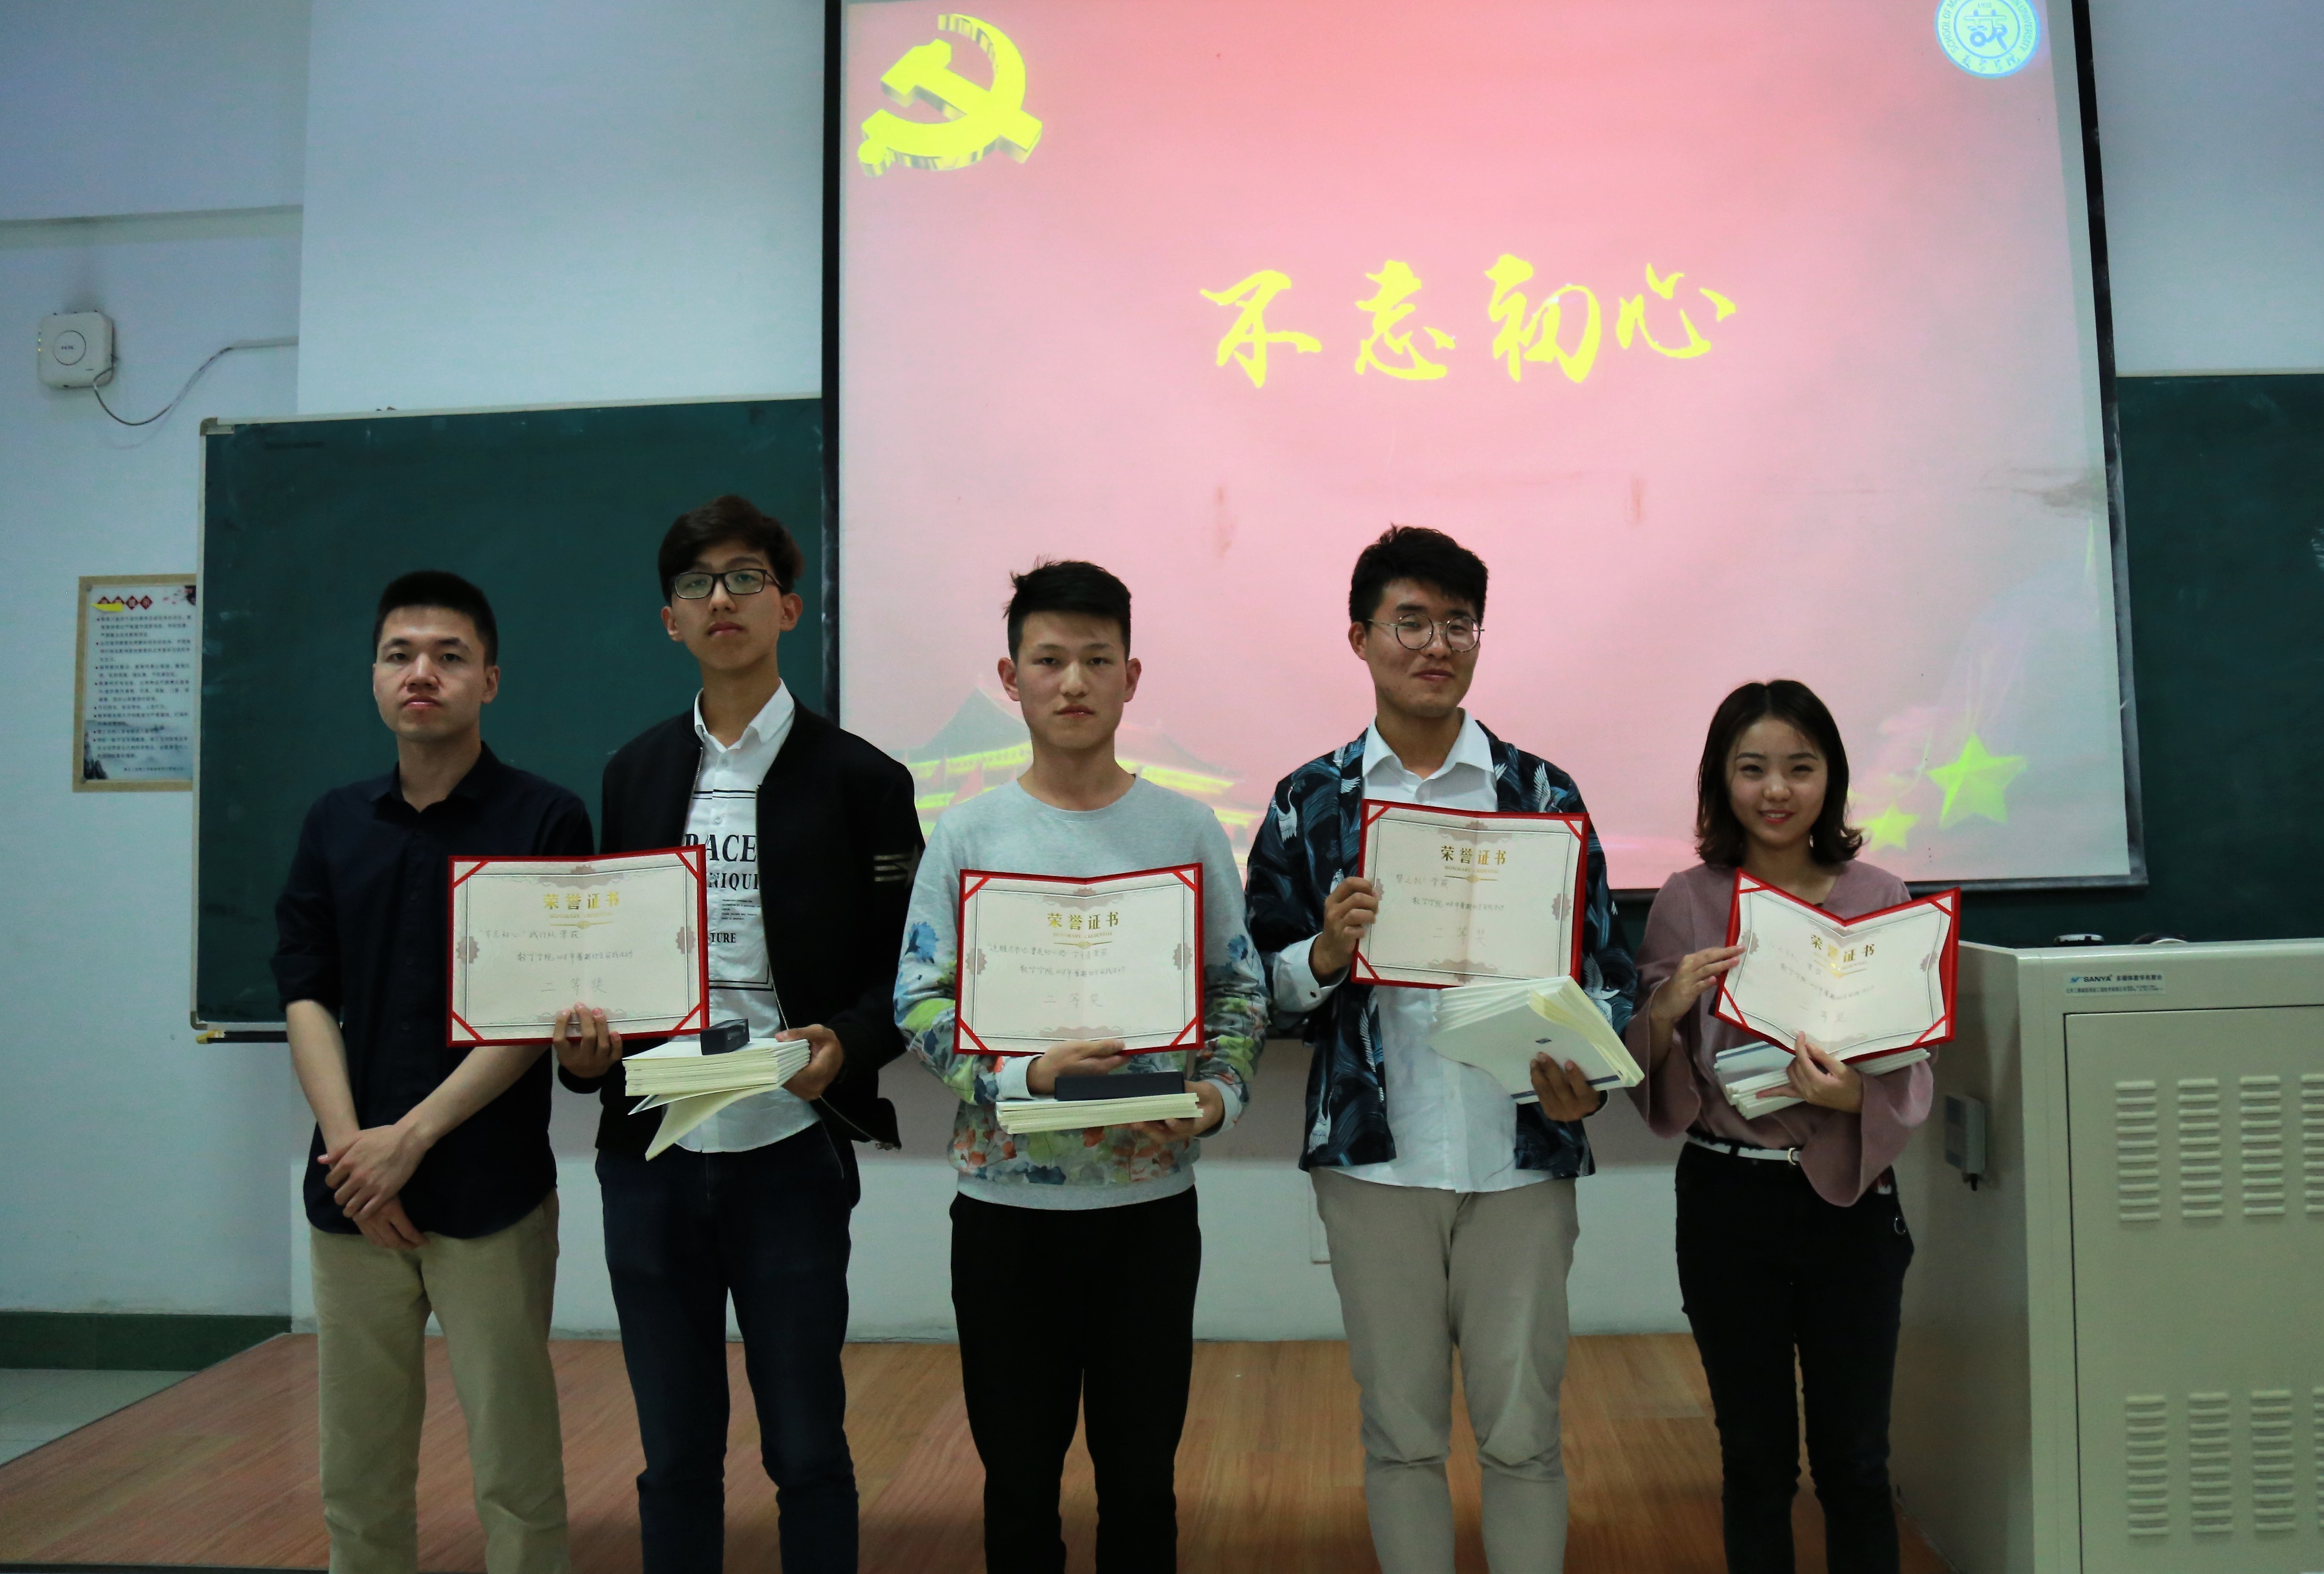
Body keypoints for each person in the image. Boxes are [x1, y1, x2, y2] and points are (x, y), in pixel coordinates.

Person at [1243, 525, 1638, 1574]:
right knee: (1402, 1437)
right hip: (1376, 1163)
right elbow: (1258, 990)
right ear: (1360, 637)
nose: (1435, 645)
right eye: (1409, 622)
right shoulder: (1309, 800)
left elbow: (1605, 971)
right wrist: (1325, 952)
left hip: (1521, 1160)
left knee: (1523, 1436)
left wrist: (1587, 1084)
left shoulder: (1541, 793)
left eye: (1457, 624)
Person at [552, 495, 921, 1574]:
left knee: (806, 1447)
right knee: (673, 1456)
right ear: (670, 619)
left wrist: (845, 1044)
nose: (722, 599)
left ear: (787, 607)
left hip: (788, 1149)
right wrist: (587, 1053)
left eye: (745, 577)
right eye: (696, 582)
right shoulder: (633, 773)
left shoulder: (862, 779)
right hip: (652, 1153)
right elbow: (609, 958)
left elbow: (905, 976)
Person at [893, 560, 1268, 1574]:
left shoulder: (1185, 827)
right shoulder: (969, 830)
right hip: (1005, 1207)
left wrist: (1218, 1094)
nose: (1072, 682)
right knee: (1017, 1482)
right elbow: (917, 999)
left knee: (1140, 1481)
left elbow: (1237, 987)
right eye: (1048, 659)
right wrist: (1023, 1078)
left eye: (1097, 660)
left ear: (1130, 677)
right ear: (1008, 678)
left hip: (1148, 1203)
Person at [275, 570, 587, 1574]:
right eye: (399, 654)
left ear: (488, 680)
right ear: (374, 677)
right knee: (357, 1469)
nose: (422, 673)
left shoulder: (546, 819)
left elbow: (540, 1008)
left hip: (489, 1190)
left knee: (514, 1461)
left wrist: (407, 1141)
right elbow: (305, 993)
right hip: (353, 1196)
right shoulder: (334, 823)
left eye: (449, 656)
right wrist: (352, 1155)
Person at [1624, 679, 1933, 1574]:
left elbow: (1912, 1063)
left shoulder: (1879, 892)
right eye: (1751, 768)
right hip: (1727, 1200)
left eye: (1799, 768)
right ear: (1719, 781)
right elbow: (1643, 1063)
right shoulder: (1686, 898)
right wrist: (1665, 1008)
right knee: (1756, 1464)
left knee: (1856, 1464)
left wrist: (1852, 1098)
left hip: (1849, 1202)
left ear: (1829, 779)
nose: (1775, 790)